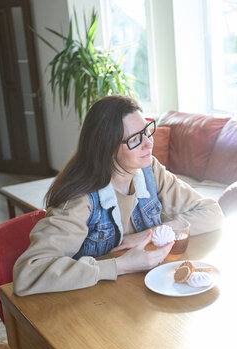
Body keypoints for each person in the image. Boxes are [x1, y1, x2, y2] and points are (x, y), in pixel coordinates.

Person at [13, 95, 224, 295]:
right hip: (92, 305)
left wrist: (153, 232)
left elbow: (213, 213)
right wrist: (121, 265)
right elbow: (28, 273)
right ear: (107, 148)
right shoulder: (80, 198)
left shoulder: (150, 171)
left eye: (147, 131)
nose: (149, 143)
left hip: (137, 294)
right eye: (135, 139)